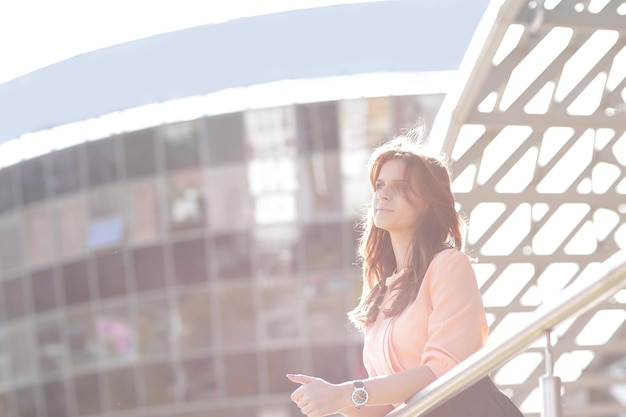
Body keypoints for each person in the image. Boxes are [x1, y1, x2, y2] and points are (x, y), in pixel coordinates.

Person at [287, 126, 524, 417]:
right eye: (380, 185)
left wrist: (345, 393)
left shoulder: (449, 266)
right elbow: (384, 406)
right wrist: (331, 399)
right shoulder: (381, 288)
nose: (383, 195)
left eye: (400, 188)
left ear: (428, 202)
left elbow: (442, 372)